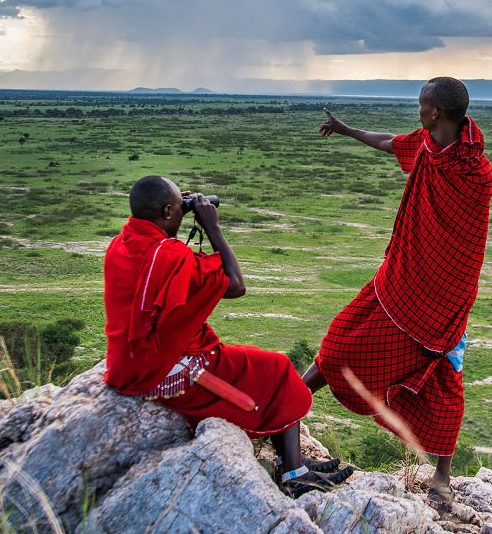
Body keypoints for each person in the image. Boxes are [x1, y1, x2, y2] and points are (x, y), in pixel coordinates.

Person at [303, 77, 492, 507]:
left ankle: (441, 479)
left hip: (445, 301)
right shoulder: (426, 146)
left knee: (444, 380)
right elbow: (391, 143)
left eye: (422, 105)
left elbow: (464, 244)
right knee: (338, 345)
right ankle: (286, 405)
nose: (417, 111)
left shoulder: (476, 173)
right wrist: (348, 130)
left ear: (435, 114)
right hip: (399, 283)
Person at [104, 175, 353, 497]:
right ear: (167, 212)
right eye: (180, 207)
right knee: (277, 370)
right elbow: (236, 285)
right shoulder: (170, 256)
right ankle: (295, 474)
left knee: (258, 365)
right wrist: (212, 226)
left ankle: (291, 459)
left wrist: (177, 210)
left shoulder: (122, 243)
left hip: (127, 364)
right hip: (167, 370)